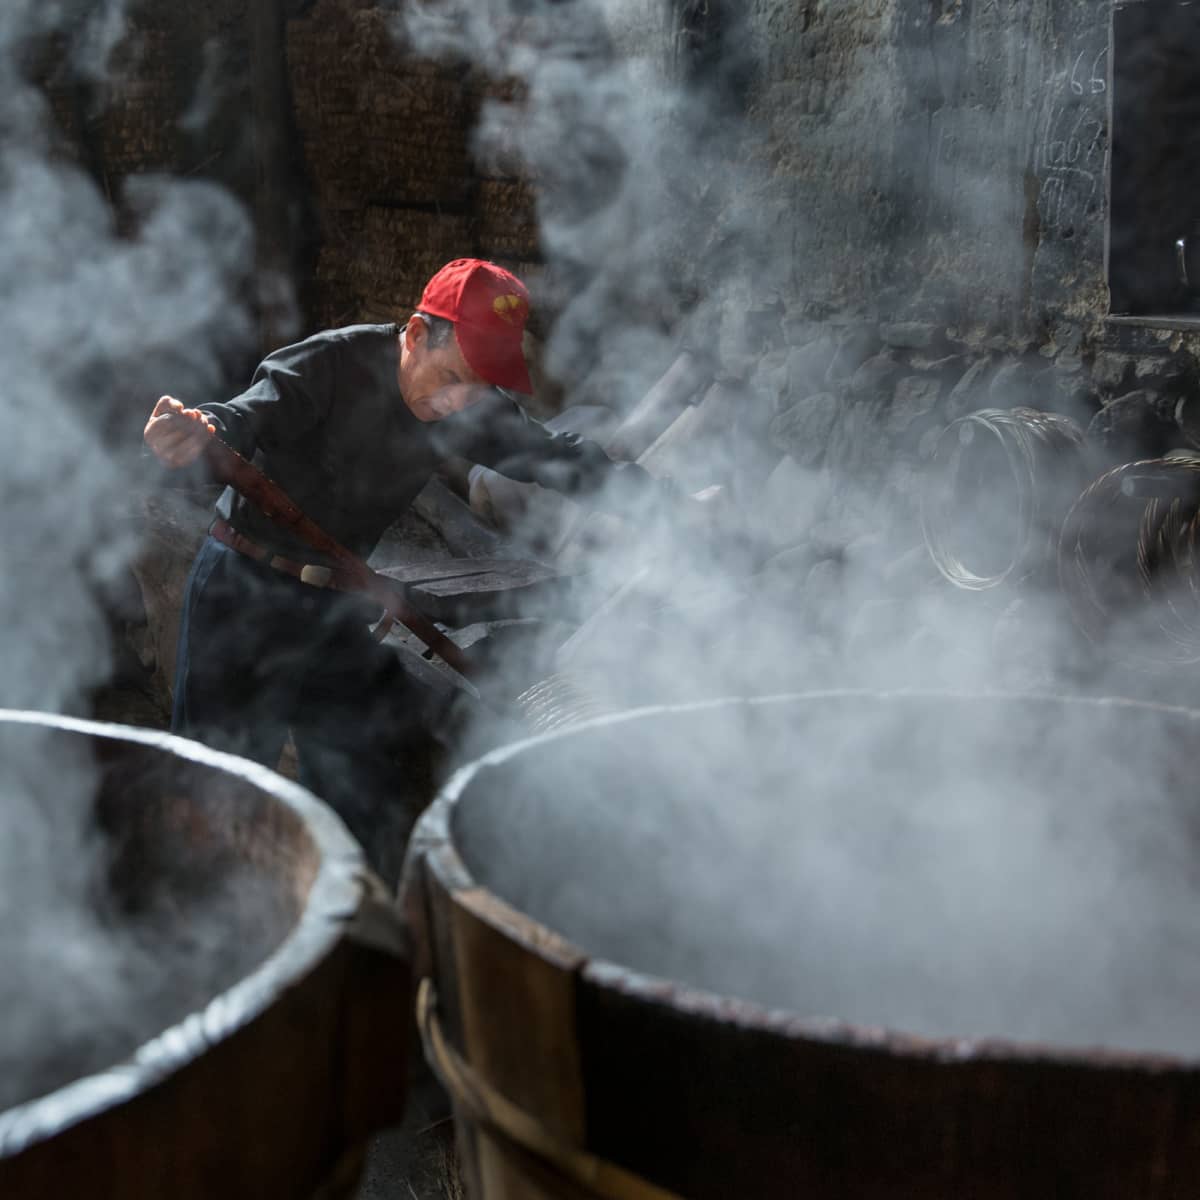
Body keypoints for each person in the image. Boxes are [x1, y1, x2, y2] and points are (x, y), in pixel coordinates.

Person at [143, 258, 694, 860]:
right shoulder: (331, 362)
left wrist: (668, 505)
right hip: (243, 594)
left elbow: (558, 457)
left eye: (478, 386)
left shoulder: (466, 406)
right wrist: (198, 429)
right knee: (215, 791)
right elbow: (243, 416)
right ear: (415, 334)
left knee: (358, 791)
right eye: (453, 376)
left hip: (332, 611)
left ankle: (353, 902)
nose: (459, 402)